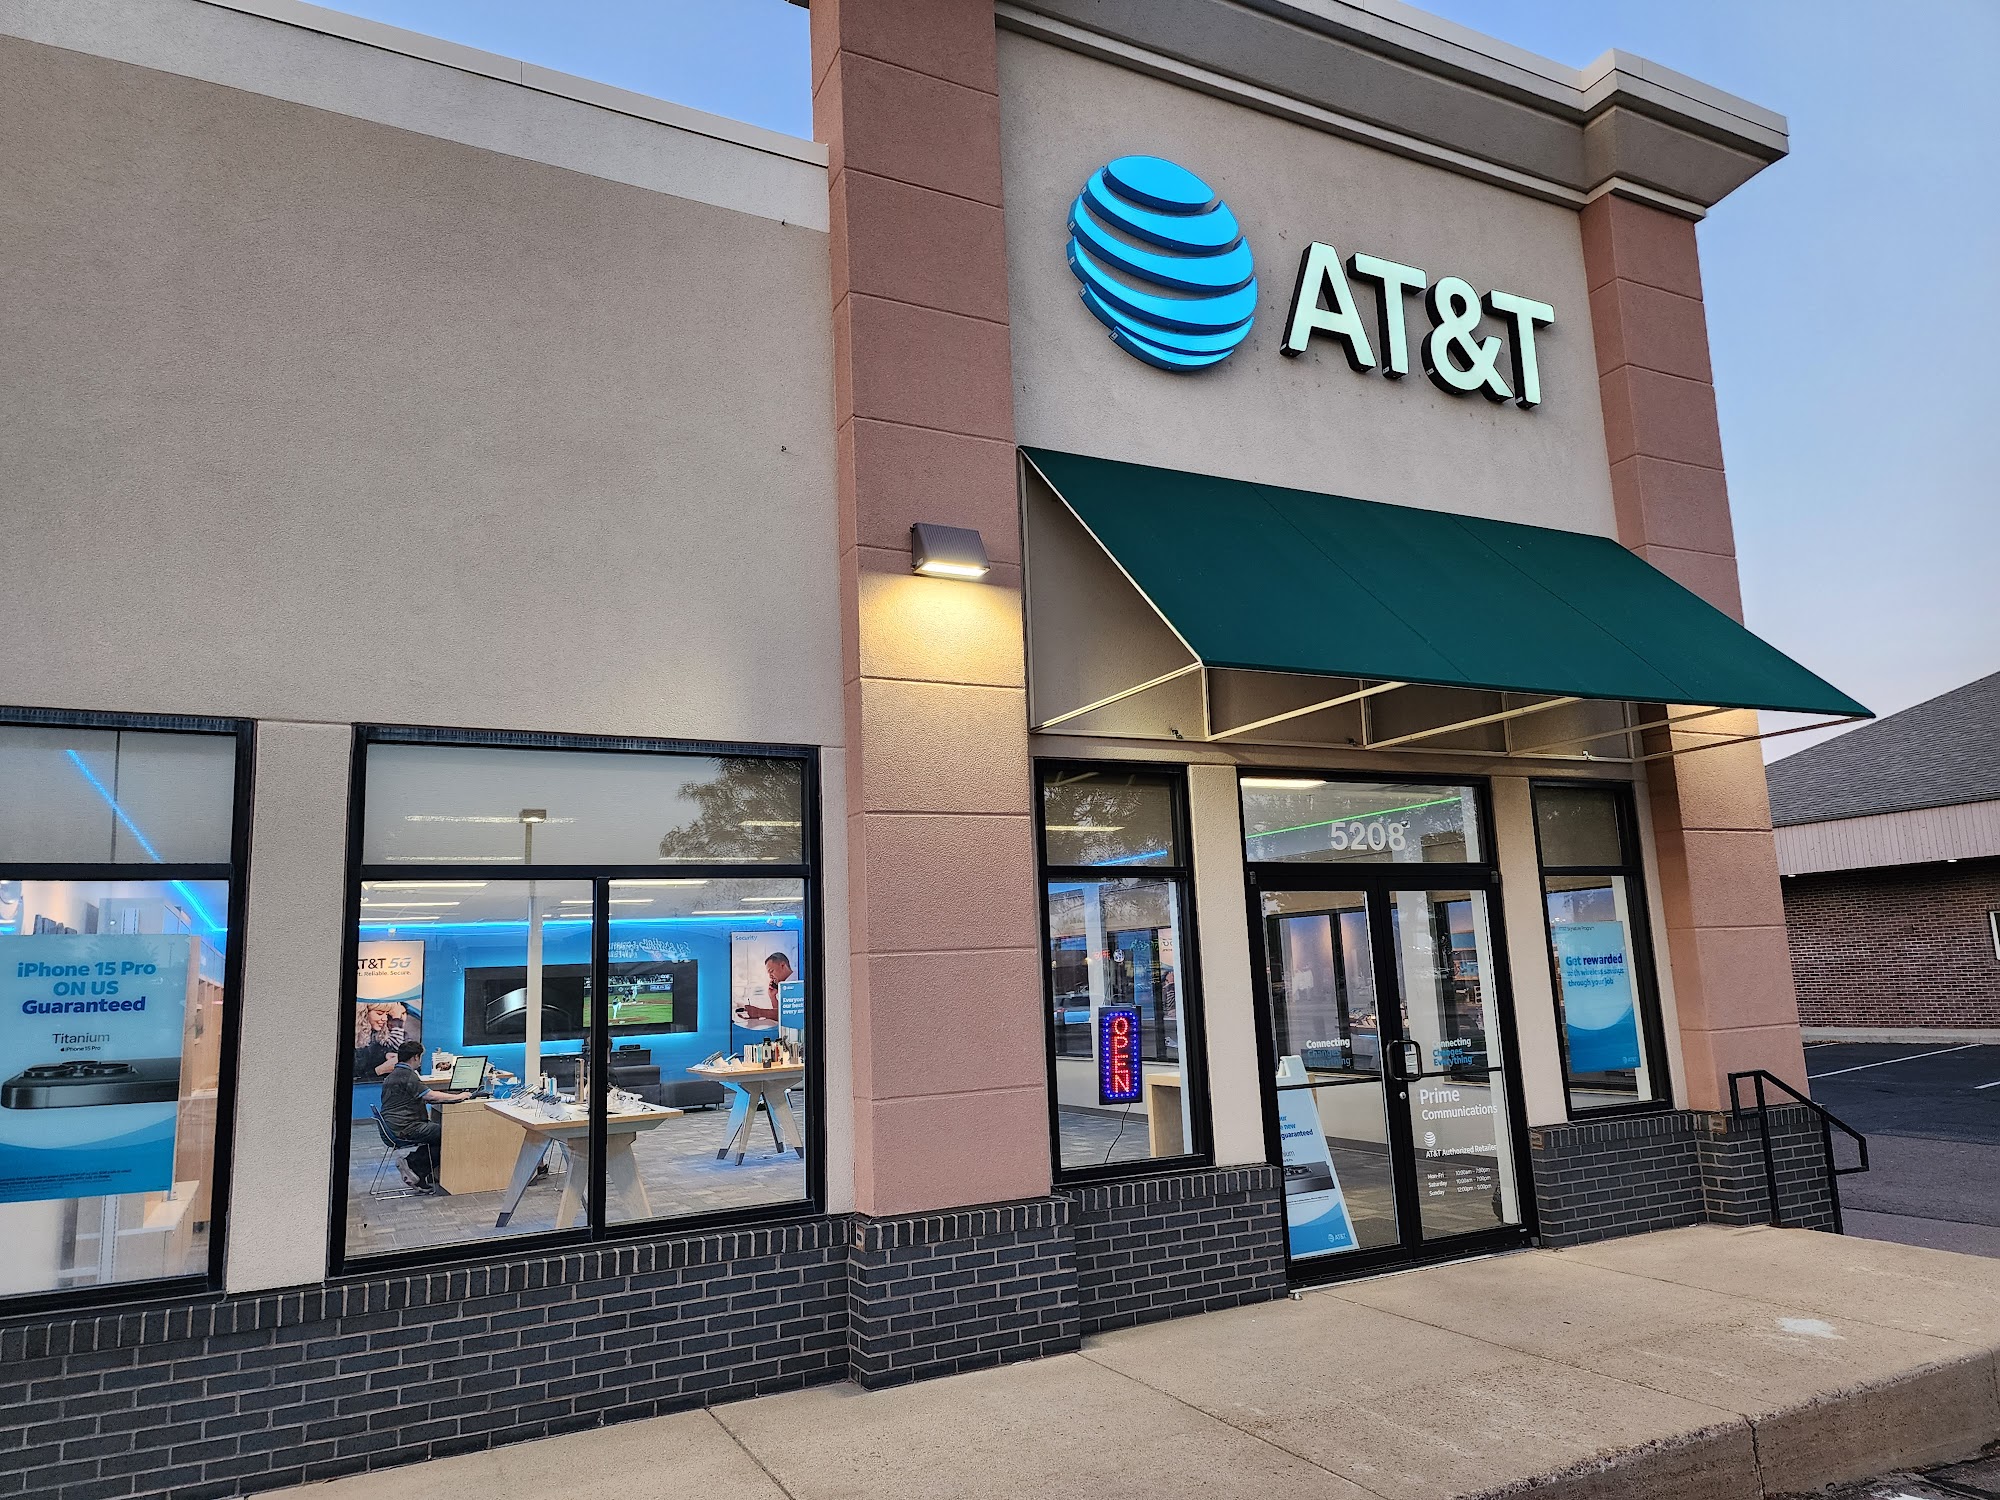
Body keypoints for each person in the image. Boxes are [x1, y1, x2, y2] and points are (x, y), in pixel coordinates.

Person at [378, 1040, 472, 1191]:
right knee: (449, 1135)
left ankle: (418, 1173)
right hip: (406, 1128)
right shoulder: (407, 1074)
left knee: (437, 1135)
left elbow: (417, 1097)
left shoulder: (394, 1074)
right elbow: (430, 1095)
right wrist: (459, 1096)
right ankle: (412, 1164)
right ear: (416, 1057)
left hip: (395, 1126)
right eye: (420, 1057)